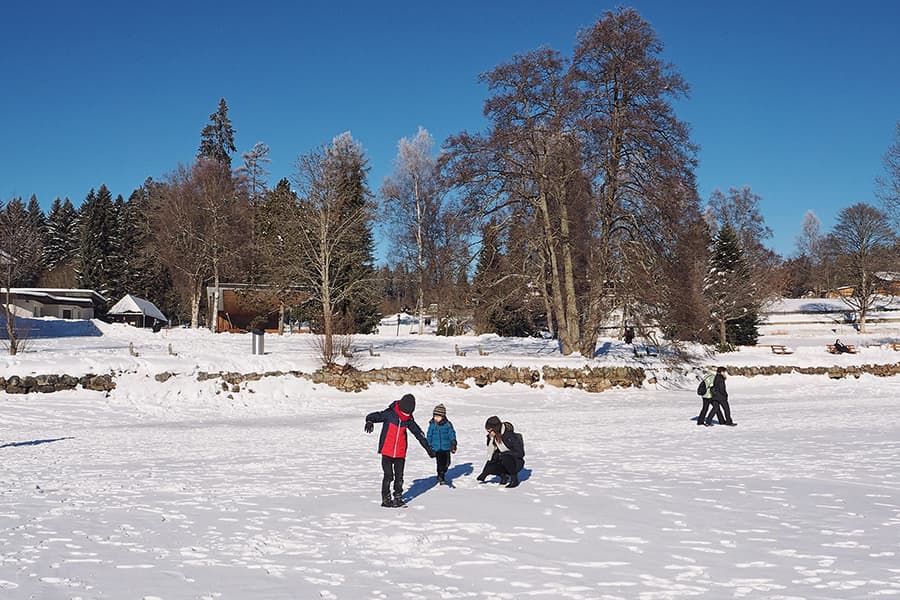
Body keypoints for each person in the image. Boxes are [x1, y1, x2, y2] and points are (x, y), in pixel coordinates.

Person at [365, 393, 434, 507]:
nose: (406, 415)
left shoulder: (409, 420)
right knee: (388, 476)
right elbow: (374, 415)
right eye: (405, 413)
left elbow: (418, 434)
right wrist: (369, 421)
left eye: (409, 413)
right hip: (387, 451)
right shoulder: (389, 414)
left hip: (400, 453)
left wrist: (428, 448)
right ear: (401, 407)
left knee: (399, 477)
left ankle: (398, 497)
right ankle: (386, 499)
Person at [476, 416, 525, 488]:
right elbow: (490, 451)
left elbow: (520, 453)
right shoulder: (494, 437)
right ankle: (503, 476)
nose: (489, 433)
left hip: (516, 462)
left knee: (505, 457)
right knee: (494, 458)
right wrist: (485, 473)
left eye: (490, 431)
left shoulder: (510, 436)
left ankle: (514, 480)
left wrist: (504, 453)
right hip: (503, 460)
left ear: (495, 429)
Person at [426, 403, 457, 485]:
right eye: (435, 416)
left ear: (443, 417)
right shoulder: (432, 425)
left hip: (446, 447)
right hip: (437, 448)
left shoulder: (447, 425)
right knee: (440, 463)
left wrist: (453, 442)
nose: (436, 418)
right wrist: (428, 445)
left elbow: (451, 433)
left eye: (438, 417)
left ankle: (444, 470)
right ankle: (441, 476)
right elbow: (429, 435)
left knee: (447, 463)